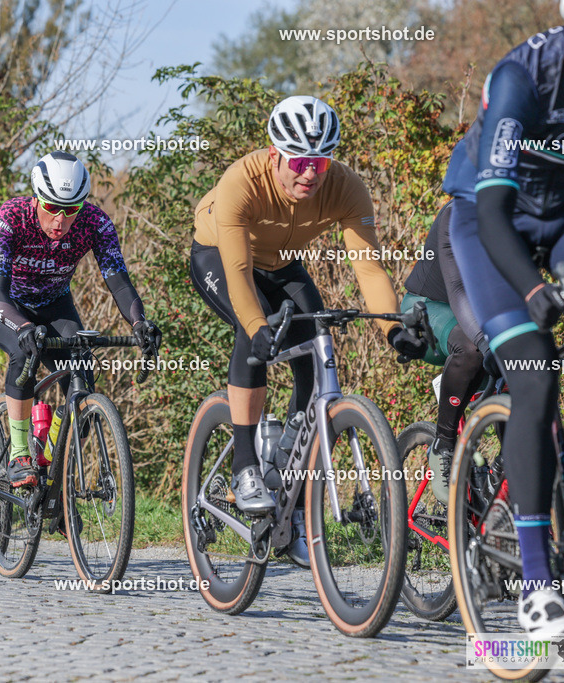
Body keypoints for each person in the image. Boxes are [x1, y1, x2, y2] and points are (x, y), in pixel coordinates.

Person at [189, 95, 426, 566]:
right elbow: (238, 272)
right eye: (298, 162)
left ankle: (292, 491)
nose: (310, 174)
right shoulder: (241, 181)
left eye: (320, 162)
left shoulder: (346, 187)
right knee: (252, 333)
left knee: (318, 353)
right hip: (220, 257)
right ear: (274, 155)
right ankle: (244, 465)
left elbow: (369, 269)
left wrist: (392, 330)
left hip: (281, 265)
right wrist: (257, 327)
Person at [441, 1, 564, 636]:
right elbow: (494, 214)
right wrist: (532, 290)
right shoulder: (523, 78)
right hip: (490, 220)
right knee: (535, 373)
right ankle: (537, 589)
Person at [0, 151, 160, 488]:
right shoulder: (10, 217)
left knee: (82, 385)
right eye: (51, 208)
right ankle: (19, 454)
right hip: (3, 302)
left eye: (71, 209)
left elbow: (119, 282)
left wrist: (139, 323)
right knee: (23, 352)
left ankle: (50, 454)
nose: (60, 220)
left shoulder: (95, 222)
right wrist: (24, 327)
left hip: (54, 303)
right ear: (36, 198)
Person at [402, 201, 497, 502]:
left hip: (481, 314)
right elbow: (457, 289)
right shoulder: (459, 211)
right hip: (428, 308)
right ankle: (443, 445)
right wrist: (486, 344)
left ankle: (500, 481)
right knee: (472, 349)